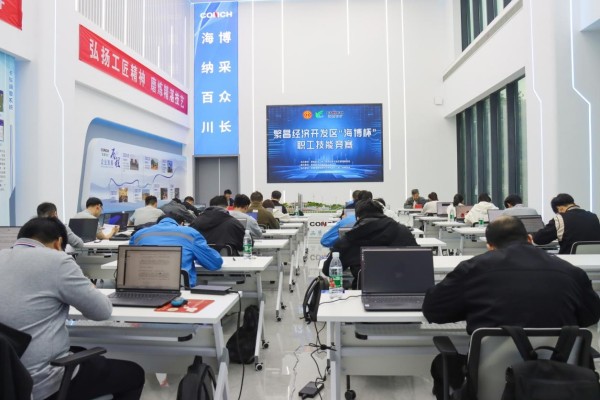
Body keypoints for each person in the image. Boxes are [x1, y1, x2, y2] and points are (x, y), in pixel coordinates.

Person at [423, 216, 600, 399]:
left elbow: (433, 310)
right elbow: (591, 316)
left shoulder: (473, 269)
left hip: (490, 388)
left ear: (490, 246)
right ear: (529, 239)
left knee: (441, 364)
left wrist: (471, 307)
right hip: (563, 384)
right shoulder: (571, 271)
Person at [0, 217, 145, 400]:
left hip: (6, 380)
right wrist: (89, 286)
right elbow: (101, 311)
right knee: (133, 373)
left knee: (80, 350)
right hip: (40, 384)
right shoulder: (57, 260)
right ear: (58, 242)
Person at [323, 199, 418, 288]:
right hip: (404, 287)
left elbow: (328, 270)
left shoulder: (350, 238)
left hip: (364, 290)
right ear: (382, 213)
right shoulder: (402, 231)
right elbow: (418, 260)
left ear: (357, 218)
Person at [130, 214, 223, 287]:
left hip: (141, 286)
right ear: (181, 224)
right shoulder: (190, 233)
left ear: (157, 223)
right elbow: (214, 263)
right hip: (180, 289)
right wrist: (198, 258)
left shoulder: (138, 235)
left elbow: (130, 263)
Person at [533, 193, 600, 254]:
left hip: (569, 261)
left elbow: (538, 239)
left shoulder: (560, 219)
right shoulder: (595, 217)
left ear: (560, 208)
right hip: (594, 260)